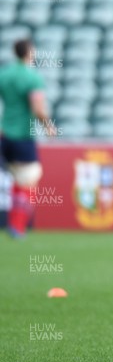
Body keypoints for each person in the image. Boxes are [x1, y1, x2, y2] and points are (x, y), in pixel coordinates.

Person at [0, 39, 55, 238]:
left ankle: (13, 224)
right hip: (22, 135)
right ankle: (17, 225)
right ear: (28, 53)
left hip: (4, 134)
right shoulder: (32, 77)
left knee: (16, 178)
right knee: (30, 178)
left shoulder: (4, 74)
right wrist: (49, 126)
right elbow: (38, 109)